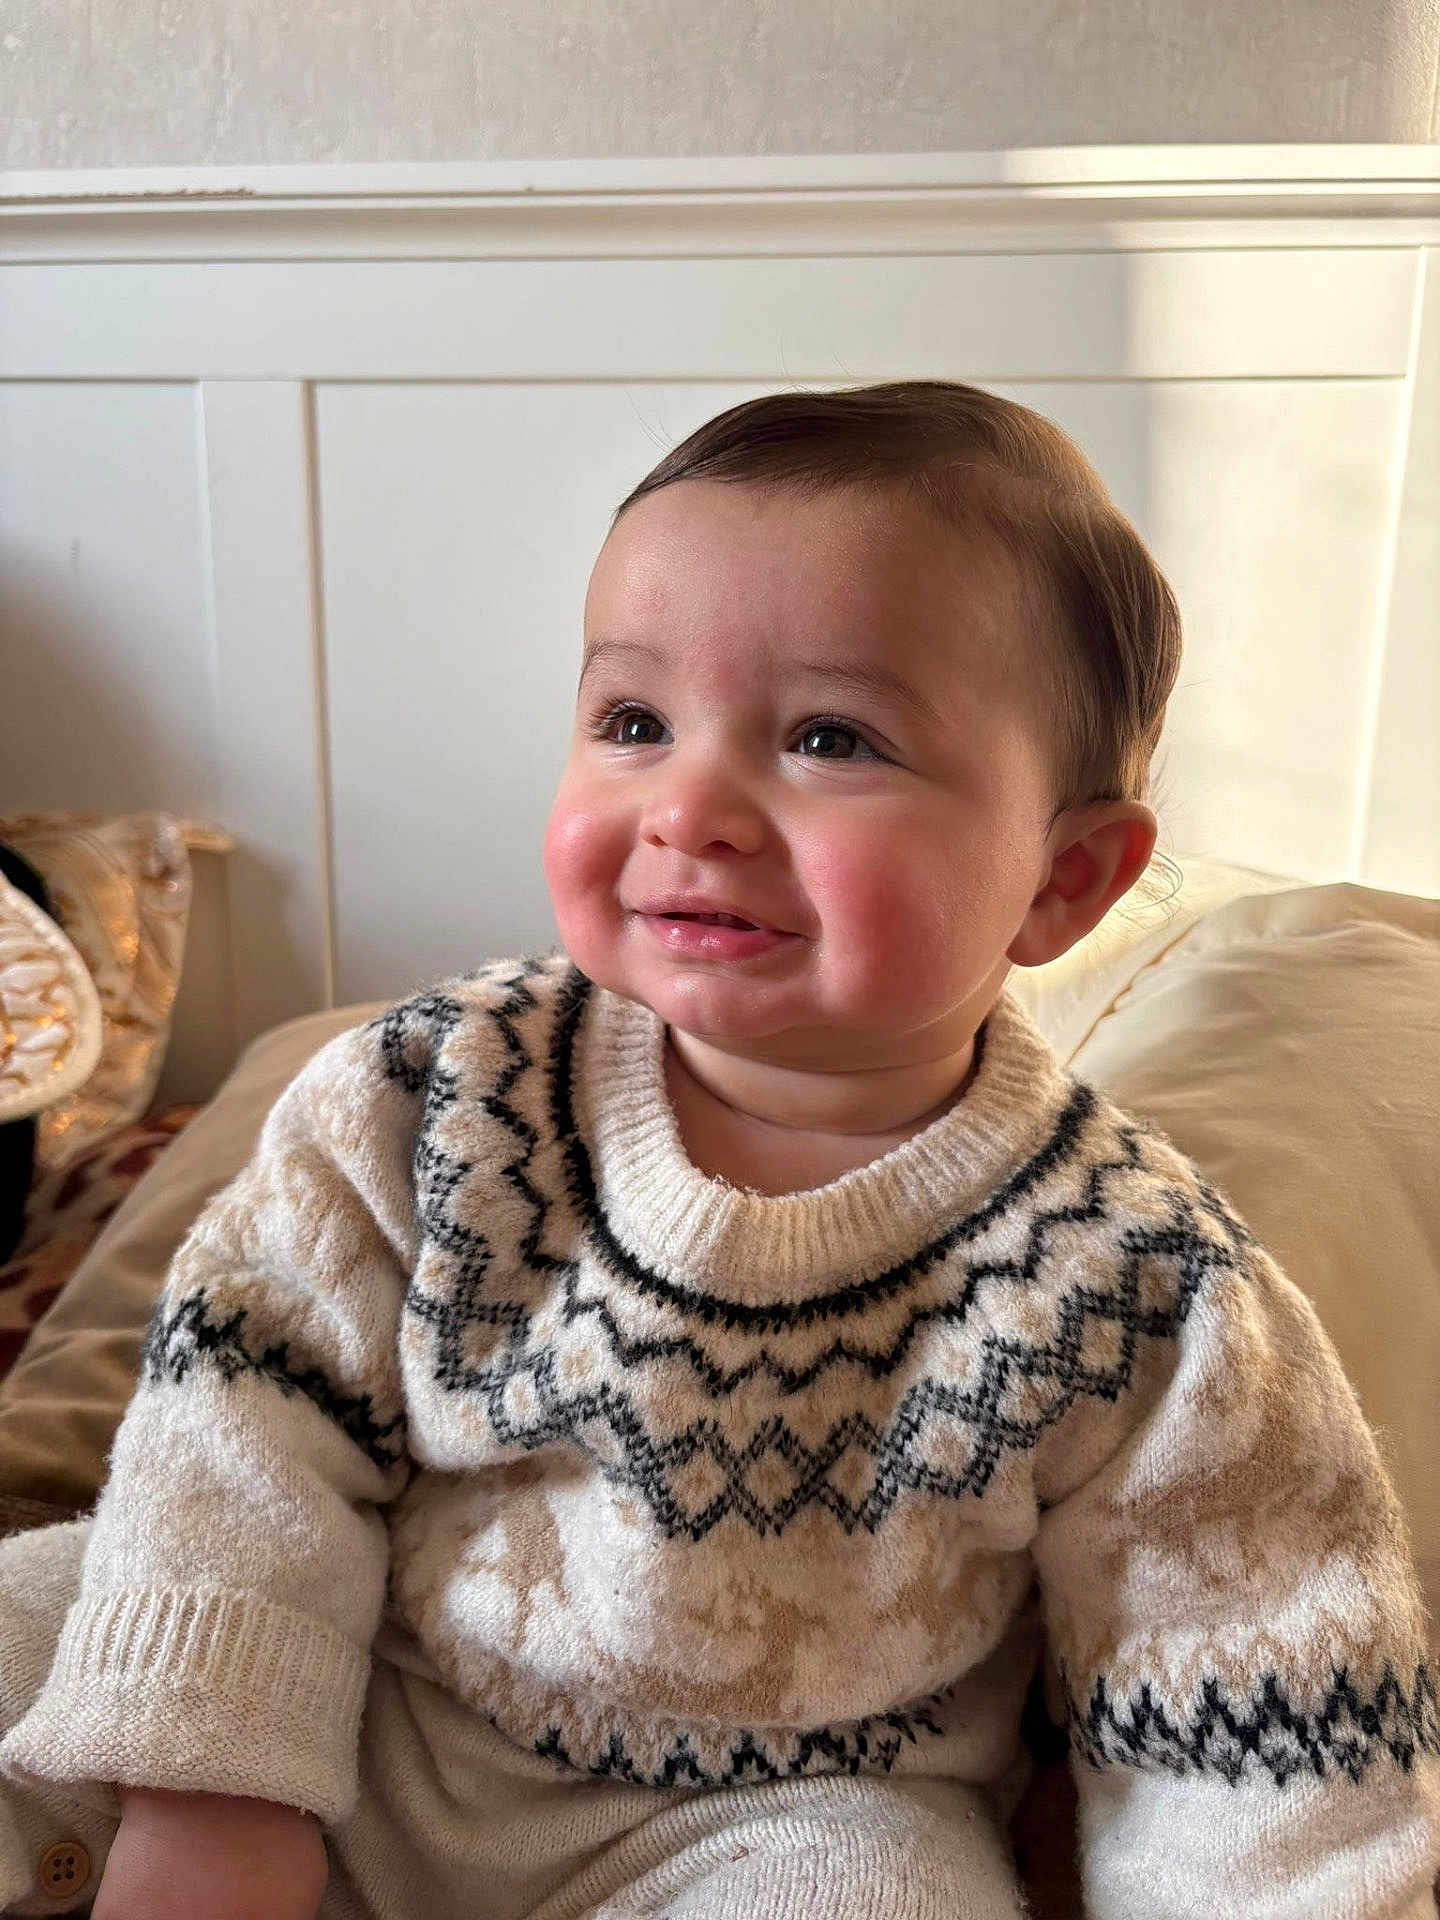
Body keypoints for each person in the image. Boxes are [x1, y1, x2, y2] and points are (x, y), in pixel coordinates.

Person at [1, 381, 1436, 1920]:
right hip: (359, 1680)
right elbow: (238, 1434)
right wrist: (212, 1798)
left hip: (779, 1817)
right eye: (633, 721)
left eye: (830, 738)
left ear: (1063, 879)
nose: (690, 806)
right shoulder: (434, 1090)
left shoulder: (1136, 1285)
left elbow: (1259, 1701)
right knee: (56, 1611)